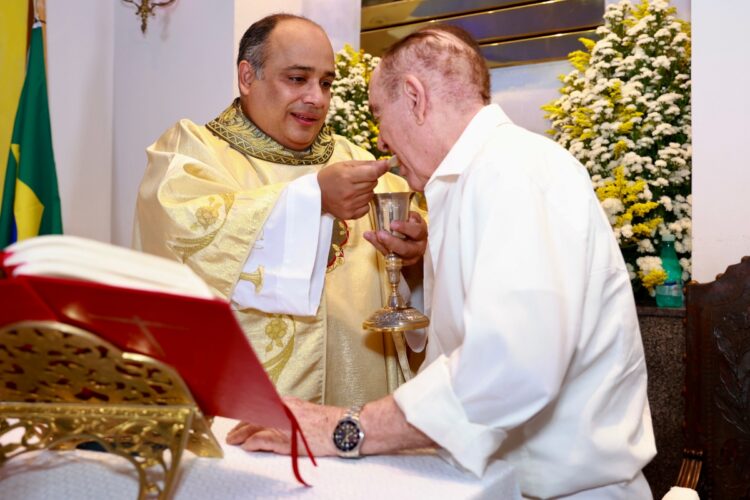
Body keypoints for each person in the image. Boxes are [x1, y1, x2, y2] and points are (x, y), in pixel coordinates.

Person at [227, 25, 657, 499]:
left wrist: (345, 428)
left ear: (414, 98)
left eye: (378, 115)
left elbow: (510, 366)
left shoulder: (514, 172)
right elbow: (464, 336)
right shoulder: (467, 181)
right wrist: (414, 272)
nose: (381, 140)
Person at [133, 14, 427, 408]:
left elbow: (414, 273)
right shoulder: (191, 154)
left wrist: (414, 257)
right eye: (297, 79)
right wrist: (314, 199)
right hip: (248, 406)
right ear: (247, 77)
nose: (317, 98)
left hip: (362, 404)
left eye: (325, 82)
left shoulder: (357, 162)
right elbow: (186, 240)